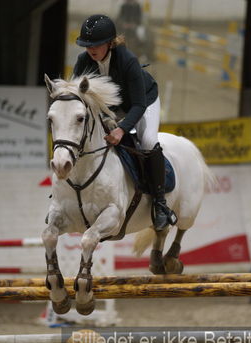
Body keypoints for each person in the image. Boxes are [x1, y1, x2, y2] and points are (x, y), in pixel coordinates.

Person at [73, 14, 176, 231]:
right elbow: (78, 98)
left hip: (143, 101)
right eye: (87, 45)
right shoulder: (83, 61)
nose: (91, 49)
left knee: (147, 140)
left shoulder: (127, 60)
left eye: (96, 45)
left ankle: (160, 203)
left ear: (110, 43)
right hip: (112, 107)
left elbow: (138, 105)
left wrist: (121, 129)